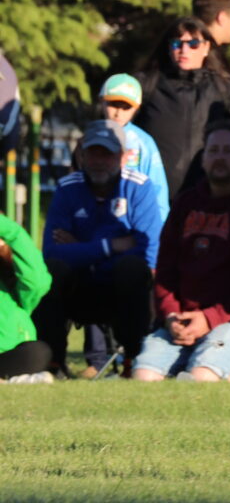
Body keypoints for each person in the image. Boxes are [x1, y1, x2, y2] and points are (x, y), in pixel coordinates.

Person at [133, 121, 230, 382]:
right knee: (144, 376)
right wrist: (170, 315)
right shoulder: (185, 204)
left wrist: (209, 318)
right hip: (182, 319)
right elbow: (166, 271)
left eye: (228, 151)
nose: (220, 157)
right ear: (203, 158)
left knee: (202, 376)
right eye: (213, 151)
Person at [35, 120, 164, 374]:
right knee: (52, 271)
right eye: (93, 153)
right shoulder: (67, 188)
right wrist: (110, 246)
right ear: (81, 155)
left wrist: (81, 249)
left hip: (121, 289)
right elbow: (51, 251)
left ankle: (132, 361)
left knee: (132, 269)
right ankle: (52, 363)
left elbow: (148, 251)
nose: (99, 161)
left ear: (123, 156)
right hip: (79, 287)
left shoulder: (139, 187)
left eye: (107, 154)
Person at [135, 15, 230, 201]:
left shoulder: (224, 91)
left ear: (206, 47)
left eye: (193, 43)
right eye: (177, 44)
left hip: (207, 197)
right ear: (169, 47)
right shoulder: (146, 85)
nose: (184, 50)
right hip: (153, 198)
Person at [97, 73, 170, 223]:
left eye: (126, 107)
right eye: (113, 105)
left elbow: (158, 189)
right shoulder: (90, 138)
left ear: (136, 108)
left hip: (133, 225)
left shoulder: (143, 143)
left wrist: (158, 228)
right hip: (95, 223)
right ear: (102, 101)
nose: (118, 113)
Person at [0, 212, 54, 383]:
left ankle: (9, 379)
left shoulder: (12, 285)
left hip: (9, 357)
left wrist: (11, 231)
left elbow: (37, 282)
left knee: (38, 352)